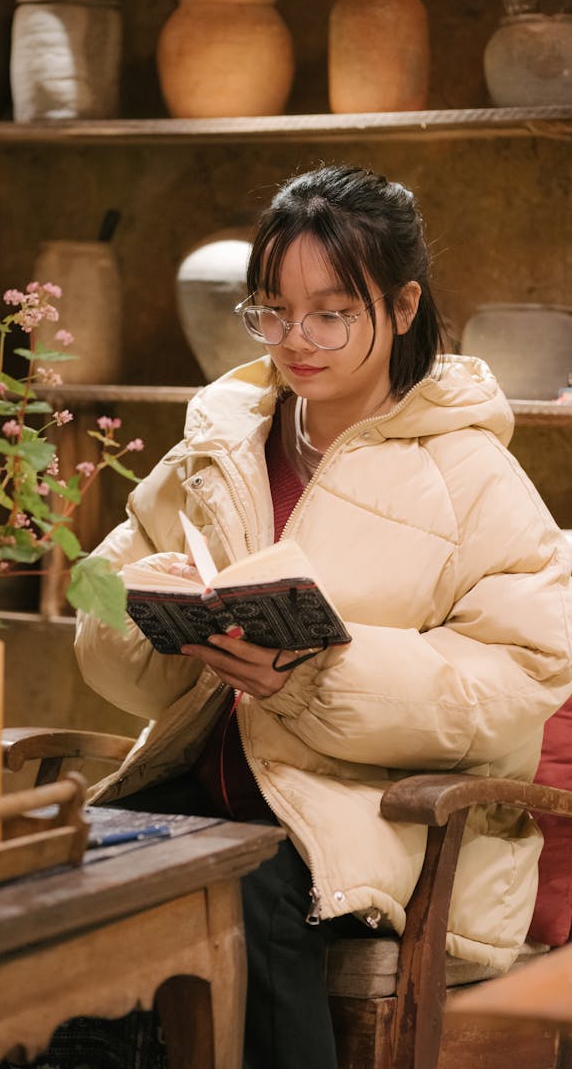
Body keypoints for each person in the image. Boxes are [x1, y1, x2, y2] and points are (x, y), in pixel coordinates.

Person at [74, 162, 572, 1068]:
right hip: (207, 783)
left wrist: (318, 677)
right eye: (272, 309)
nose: (296, 338)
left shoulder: (471, 473)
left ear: (406, 305)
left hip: (372, 818)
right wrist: (152, 599)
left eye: (333, 312)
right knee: (76, 878)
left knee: (246, 890)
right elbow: (97, 591)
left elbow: (523, 675)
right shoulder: (224, 439)